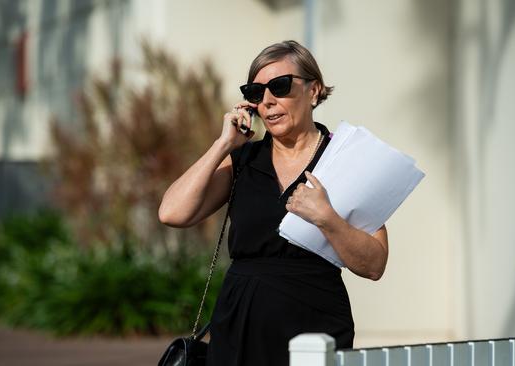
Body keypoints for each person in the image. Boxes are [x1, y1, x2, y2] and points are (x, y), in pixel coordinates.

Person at [158, 40, 389, 366]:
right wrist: (223, 144)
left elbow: (374, 264)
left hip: (315, 326)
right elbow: (171, 212)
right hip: (239, 326)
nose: (267, 101)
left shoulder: (343, 161)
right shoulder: (242, 160)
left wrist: (327, 218)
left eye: (280, 87)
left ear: (314, 91)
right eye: (255, 92)